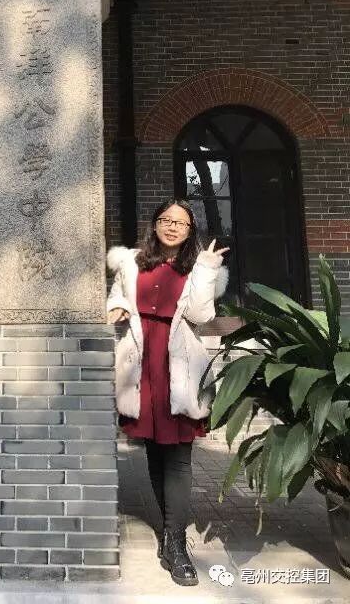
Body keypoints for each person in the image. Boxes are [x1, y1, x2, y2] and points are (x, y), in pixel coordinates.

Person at [107, 198, 229, 586]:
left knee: (177, 457)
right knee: (154, 452)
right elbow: (117, 297)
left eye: (181, 222)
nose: (173, 226)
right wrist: (117, 307)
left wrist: (207, 269)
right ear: (155, 224)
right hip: (140, 364)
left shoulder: (198, 266)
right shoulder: (132, 262)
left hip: (179, 365)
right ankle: (168, 531)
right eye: (166, 220)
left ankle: (175, 544)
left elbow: (201, 315)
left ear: (190, 230)